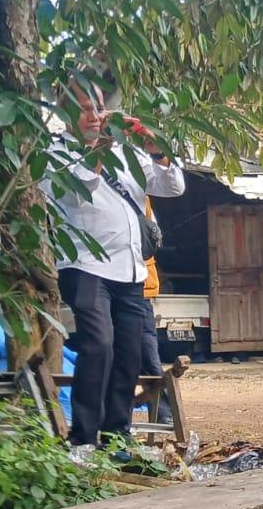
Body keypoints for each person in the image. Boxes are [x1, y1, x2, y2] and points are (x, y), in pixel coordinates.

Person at [47, 81, 184, 447]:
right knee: (98, 346)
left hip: (131, 269)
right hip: (86, 265)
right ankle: (83, 439)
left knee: (130, 353)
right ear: (64, 114)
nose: (94, 115)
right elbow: (80, 188)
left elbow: (173, 187)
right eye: (84, 109)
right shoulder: (56, 153)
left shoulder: (125, 155)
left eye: (97, 107)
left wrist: (158, 151)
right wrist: (105, 144)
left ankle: (116, 436)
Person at [139, 205, 173, 426]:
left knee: (149, 358)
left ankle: (163, 413)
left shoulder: (142, 197)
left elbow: (152, 236)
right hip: (108, 283)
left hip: (139, 287)